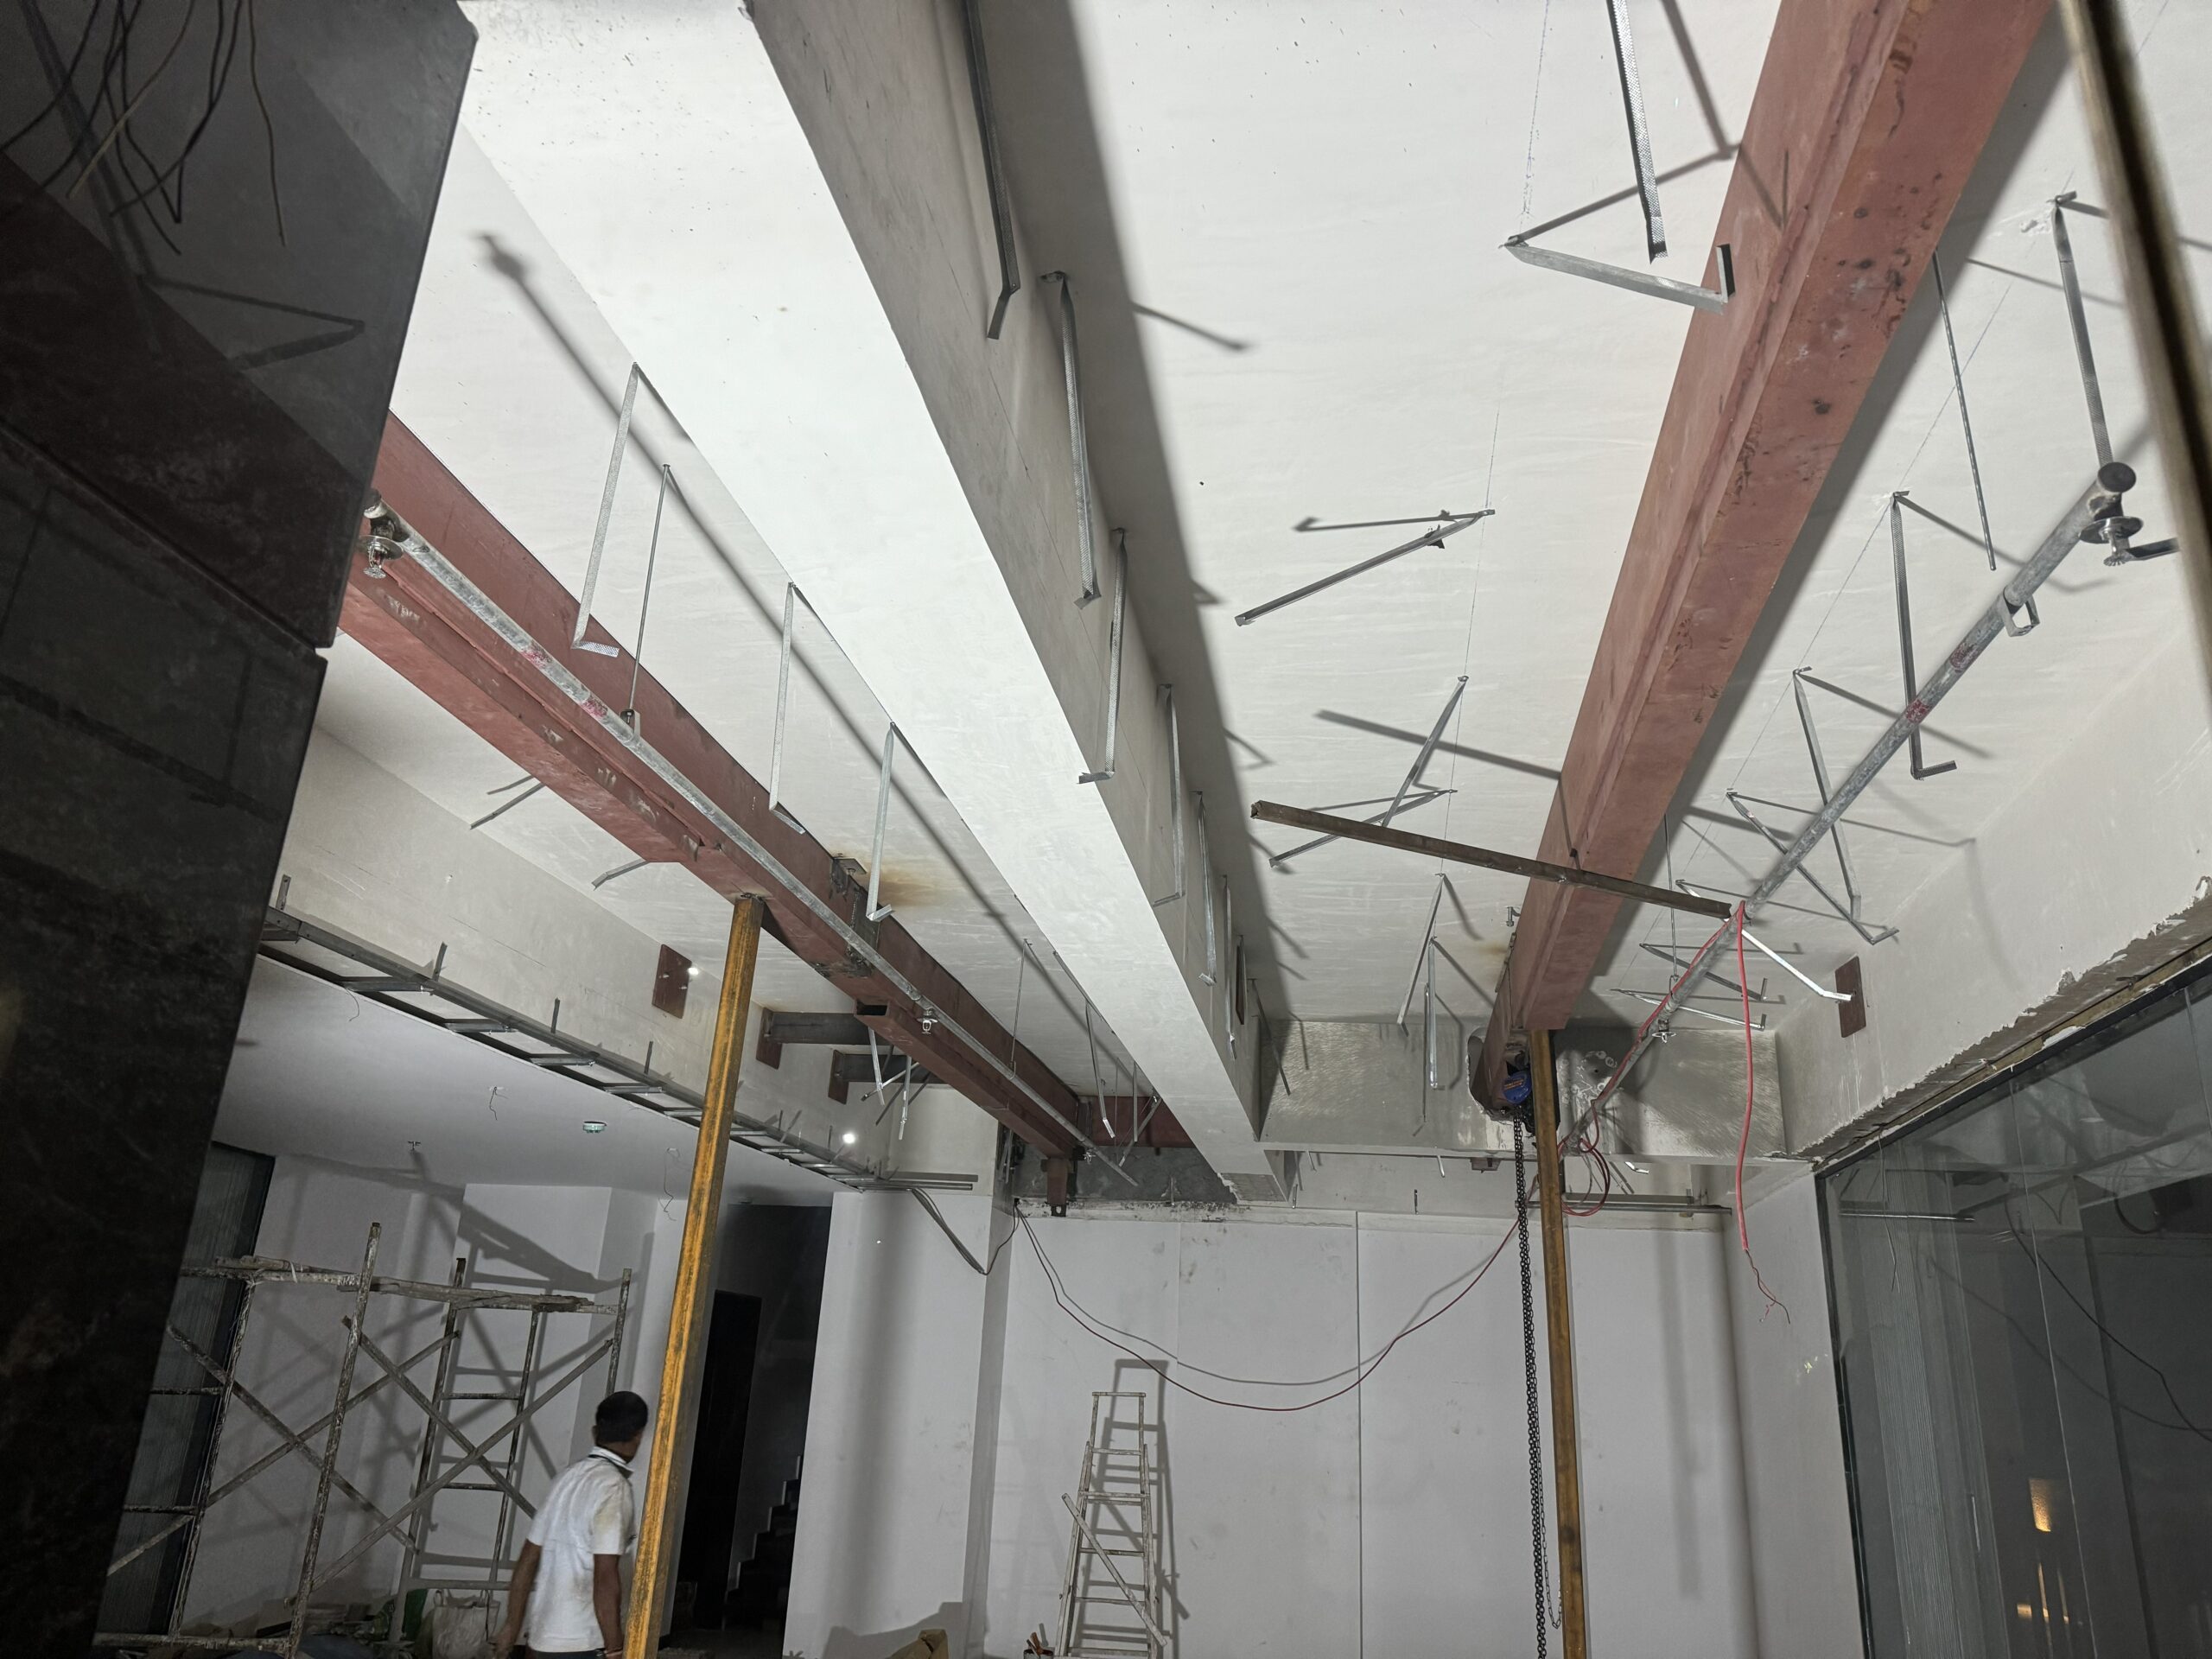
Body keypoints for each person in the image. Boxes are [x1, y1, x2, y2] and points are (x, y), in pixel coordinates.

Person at [494, 1389, 650, 1658]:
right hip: (582, 1644)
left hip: (540, 1641)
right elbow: (605, 1577)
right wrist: (615, 1649)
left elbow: (528, 1559)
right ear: (638, 1436)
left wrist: (511, 1626)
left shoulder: (566, 1479)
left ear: (595, 1432)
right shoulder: (614, 1487)